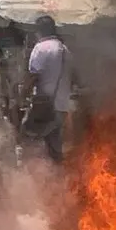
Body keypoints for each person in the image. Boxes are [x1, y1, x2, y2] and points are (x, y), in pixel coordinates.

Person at [25, 16, 73, 163]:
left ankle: (43, 181)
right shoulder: (65, 50)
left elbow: (34, 76)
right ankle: (59, 179)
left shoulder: (41, 48)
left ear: (38, 31)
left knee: (32, 141)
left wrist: (23, 94)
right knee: (56, 146)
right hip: (63, 105)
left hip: (44, 106)